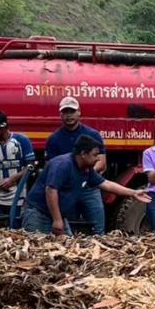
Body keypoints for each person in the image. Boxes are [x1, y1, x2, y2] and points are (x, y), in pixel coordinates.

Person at [22, 135, 150, 236]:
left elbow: (106, 184)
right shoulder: (62, 165)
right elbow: (51, 190)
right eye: (95, 155)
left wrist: (133, 193)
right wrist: (57, 220)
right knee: (37, 250)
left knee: (67, 249)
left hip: (59, 215)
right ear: (83, 154)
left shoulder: (86, 169)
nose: (98, 159)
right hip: (38, 214)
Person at [45, 97, 107, 234]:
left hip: (89, 187)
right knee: (68, 229)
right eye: (65, 112)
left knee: (98, 229)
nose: (69, 115)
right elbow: (51, 169)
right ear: (60, 115)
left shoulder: (92, 135)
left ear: (79, 112)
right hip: (66, 190)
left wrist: (84, 174)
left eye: (72, 111)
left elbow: (102, 163)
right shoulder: (54, 139)